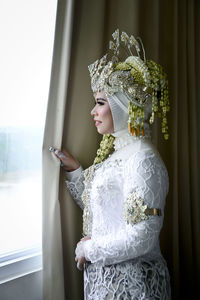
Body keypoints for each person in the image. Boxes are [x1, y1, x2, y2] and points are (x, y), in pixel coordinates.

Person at [51, 29, 171, 299]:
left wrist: (88, 249)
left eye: (100, 102)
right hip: (108, 285)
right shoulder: (121, 155)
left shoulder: (143, 159)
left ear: (125, 106)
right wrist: (74, 171)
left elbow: (143, 237)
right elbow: (108, 213)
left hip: (134, 289)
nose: (93, 111)